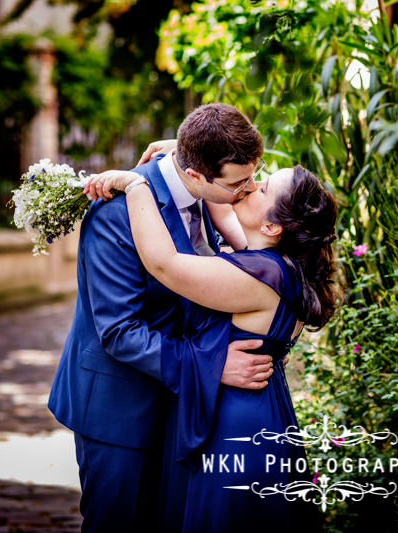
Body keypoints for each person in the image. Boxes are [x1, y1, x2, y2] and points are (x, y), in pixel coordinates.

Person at [48, 103, 275, 532]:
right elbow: (119, 331)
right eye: (240, 184)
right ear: (195, 176)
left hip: (179, 403)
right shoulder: (118, 211)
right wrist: (212, 365)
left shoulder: (216, 187)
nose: (250, 190)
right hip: (119, 409)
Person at [84, 163, 338, 532]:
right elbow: (220, 201)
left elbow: (165, 265)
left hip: (234, 423)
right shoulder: (278, 263)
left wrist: (136, 185)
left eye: (264, 188)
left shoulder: (258, 275)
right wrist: (185, 156)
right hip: (260, 410)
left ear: (272, 227)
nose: (252, 186)